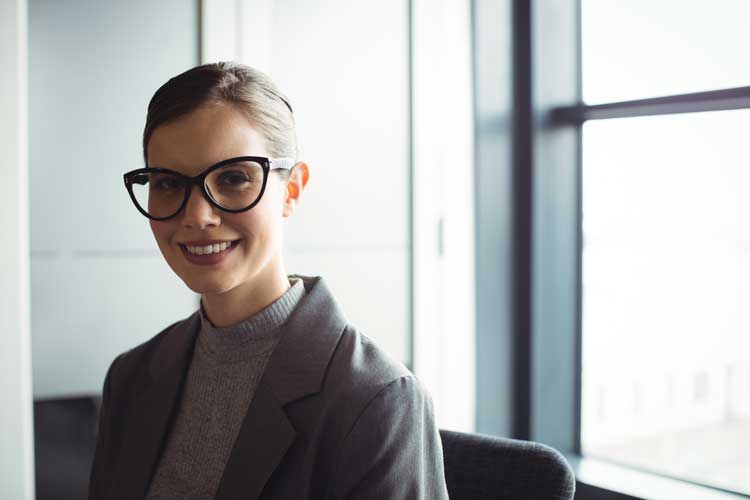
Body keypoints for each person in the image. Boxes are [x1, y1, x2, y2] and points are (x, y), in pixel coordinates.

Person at [88, 62, 449, 500]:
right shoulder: (131, 376)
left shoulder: (377, 399)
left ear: (291, 190)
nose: (198, 216)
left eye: (234, 178)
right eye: (167, 182)